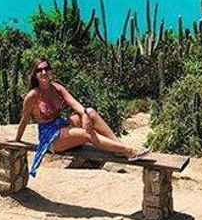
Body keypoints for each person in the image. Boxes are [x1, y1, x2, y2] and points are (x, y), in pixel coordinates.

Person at [13, 57, 149, 177]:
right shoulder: (32, 96)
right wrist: (16, 139)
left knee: (91, 112)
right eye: (39, 70)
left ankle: (119, 147)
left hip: (60, 126)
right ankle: (129, 151)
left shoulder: (57, 88)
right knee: (87, 134)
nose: (43, 72)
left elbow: (74, 103)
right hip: (50, 138)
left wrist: (84, 114)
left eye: (46, 68)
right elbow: (24, 120)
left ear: (50, 70)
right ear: (35, 74)